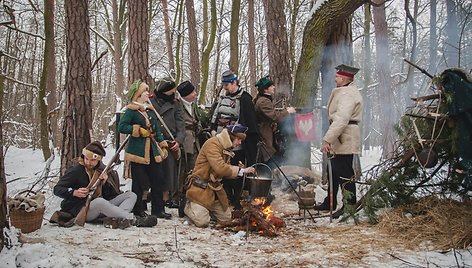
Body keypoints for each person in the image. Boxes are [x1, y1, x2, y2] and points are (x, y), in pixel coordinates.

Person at [53, 141, 157, 228]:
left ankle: (118, 219)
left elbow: (110, 195)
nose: (88, 162)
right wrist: (74, 192)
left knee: (131, 195)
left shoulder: (102, 170)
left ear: (99, 160)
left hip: (102, 205)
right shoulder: (76, 171)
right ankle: (132, 220)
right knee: (100, 202)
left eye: (92, 160)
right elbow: (57, 189)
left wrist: (105, 182)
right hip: (82, 208)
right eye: (86, 159)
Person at [184, 124, 256, 227]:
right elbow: (220, 167)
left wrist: (240, 170)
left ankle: (207, 210)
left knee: (226, 219)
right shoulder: (212, 144)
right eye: (238, 139)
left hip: (215, 190)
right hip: (200, 189)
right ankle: (187, 207)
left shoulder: (225, 147)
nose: (239, 143)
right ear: (231, 137)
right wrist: (241, 171)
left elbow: (224, 171)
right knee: (202, 222)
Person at [118, 79, 171, 219]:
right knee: (139, 182)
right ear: (139, 94)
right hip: (138, 151)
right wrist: (137, 130)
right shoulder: (131, 111)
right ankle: (139, 210)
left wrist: (162, 143)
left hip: (153, 150)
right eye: (145, 91)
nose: (148, 93)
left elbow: (156, 130)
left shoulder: (150, 110)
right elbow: (122, 127)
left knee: (158, 179)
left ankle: (158, 209)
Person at [315, 64, 363, 214]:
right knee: (334, 172)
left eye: (337, 76)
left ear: (342, 78)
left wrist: (328, 139)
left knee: (344, 173)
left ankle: (349, 206)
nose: (335, 79)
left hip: (345, 136)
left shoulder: (347, 94)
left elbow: (342, 119)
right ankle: (330, 202)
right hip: (341, 136)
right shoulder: (345, 92)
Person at [210, 70, 258, 209]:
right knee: (222, 172)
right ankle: (226, 200)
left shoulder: (245, 99)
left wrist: (242, 137)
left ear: (234, 82)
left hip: (236, 143)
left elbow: (250, 123)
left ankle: (237, 201)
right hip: (220, 142)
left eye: (227, 85)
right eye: (224, 85)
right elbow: (215, 115)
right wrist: (213, 129)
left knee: (236, 171)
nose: (224, 87)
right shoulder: (222, 98)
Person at [150, 77, 186, 211]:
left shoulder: (176, 103)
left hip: (169, 142)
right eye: (170, 90)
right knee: (153, 171)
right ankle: (152, 197)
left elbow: (180, 125)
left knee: (168, 172)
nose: (173, 92)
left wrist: (178, 140)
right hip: (154, 141)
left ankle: (166, 198)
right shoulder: (150, 101)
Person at [254, 75, 296, 168]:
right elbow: (275, 116)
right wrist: (288, 111)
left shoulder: (264, 99)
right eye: (271, 86)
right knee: (270, 162)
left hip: (267, 134)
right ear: (265, 89)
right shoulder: (263, 101)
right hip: (265, 136)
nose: (274, 87)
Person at [176, 80, 200, 217]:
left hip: (194, 140)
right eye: (192, 92)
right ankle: (181, 197)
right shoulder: (178, 106)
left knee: (194, 168)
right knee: (182, 170)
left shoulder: (193, 105)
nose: (195, 94)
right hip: (184, 141)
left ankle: (192, 194)